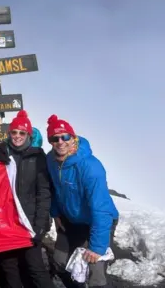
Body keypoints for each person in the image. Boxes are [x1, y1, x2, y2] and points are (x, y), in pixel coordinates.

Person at [45, 114, 119, 288]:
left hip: (98, 220)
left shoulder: (90, 167)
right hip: (71, 220)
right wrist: (55, 214)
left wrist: (97, 247)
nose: (60, 141)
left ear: (73, 138)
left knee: (95, 271)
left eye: (65, 137)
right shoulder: (51, 160)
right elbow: (55, 188)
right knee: (60, 262)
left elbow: (101, 209)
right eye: (55, 138)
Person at [0, 110, 55, 288]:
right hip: (7, 222)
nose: (17, 136)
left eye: (22, 133)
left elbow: (43, 194)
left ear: (28, 134)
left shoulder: (38, 157)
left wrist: (40, 226)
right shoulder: (3, 155)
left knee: (34, 266)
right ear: (9, 134)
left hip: (29, 222)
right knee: (9, 266)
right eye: (14, 132)